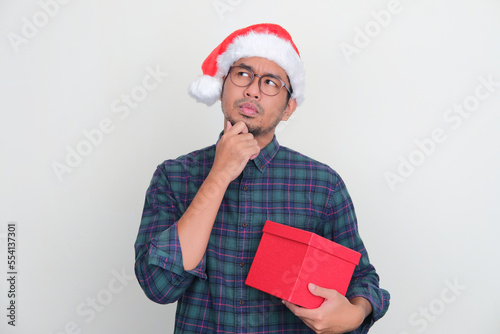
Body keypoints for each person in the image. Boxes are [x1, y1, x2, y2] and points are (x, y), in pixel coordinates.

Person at [134, 23, 390, 334]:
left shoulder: (322, 185)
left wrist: (354, 314)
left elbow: (361, 278)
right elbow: (159, 286)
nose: (253, 89)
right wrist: (219, 174)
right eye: (242, 74)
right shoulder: (173, 177)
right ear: (221, 86)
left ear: (288, 108)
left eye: (271, 83)